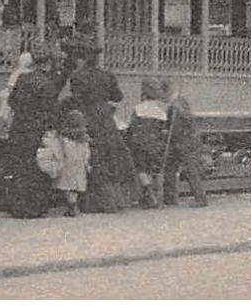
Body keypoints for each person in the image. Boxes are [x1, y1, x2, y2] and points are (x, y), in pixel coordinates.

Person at [62, 36, 132, 212]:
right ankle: (117, 201)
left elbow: (76, 99)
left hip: (89, 118)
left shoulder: (78, 76)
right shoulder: (107, 75)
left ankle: (97, 203)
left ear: (82, 58)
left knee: (94, 158)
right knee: (111, 157)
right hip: (106, 119)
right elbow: (118, 97)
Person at [1, 41, 60, 218]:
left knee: (20, 168)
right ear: (48, 63)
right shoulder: (47, 84)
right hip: (36, 130)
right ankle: (34, 207)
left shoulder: (22, 78)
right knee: (37, 169)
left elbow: (12, 101)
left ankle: (18, 207)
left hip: (19, 127)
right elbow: (50, 110)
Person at [161, 79, 208, 207]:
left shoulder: (177, 104)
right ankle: (170, 198)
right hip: (182, 141)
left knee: (190, 169)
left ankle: (200, 199)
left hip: (186, 141)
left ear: (166, 92)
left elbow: (185, 121)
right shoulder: (177, 103)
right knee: (171, 167)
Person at [125, 79, 170, 208]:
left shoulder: (138, 109)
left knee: (142, 170)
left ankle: (150, 195)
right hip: (156, 145)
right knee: (156, 171)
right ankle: (159, 199)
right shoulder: (161, 112)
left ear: (143, 95)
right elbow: (164, 132)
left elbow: (132, 128)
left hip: (140, 145)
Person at [48, 110, 92, 217]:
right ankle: (73, 204)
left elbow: (59, 150)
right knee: (76, 186)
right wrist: (86, 163)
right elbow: (87, 153)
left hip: (68, 164)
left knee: (67, 186)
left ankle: (72, 204)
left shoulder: (64, 138)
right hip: (79, 165)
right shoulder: (84, 139)